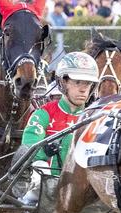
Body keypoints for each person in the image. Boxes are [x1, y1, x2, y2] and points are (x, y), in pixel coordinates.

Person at [20, 52, 99, 204]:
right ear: (63, 83)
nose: (83, 89)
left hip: (84, 184)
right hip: (46, 184)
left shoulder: (95, 117)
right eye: (77, 82)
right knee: (40, 167)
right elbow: (27, 150)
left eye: (88, 83)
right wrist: (45, 150)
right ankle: (26, 207)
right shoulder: (43, 114)